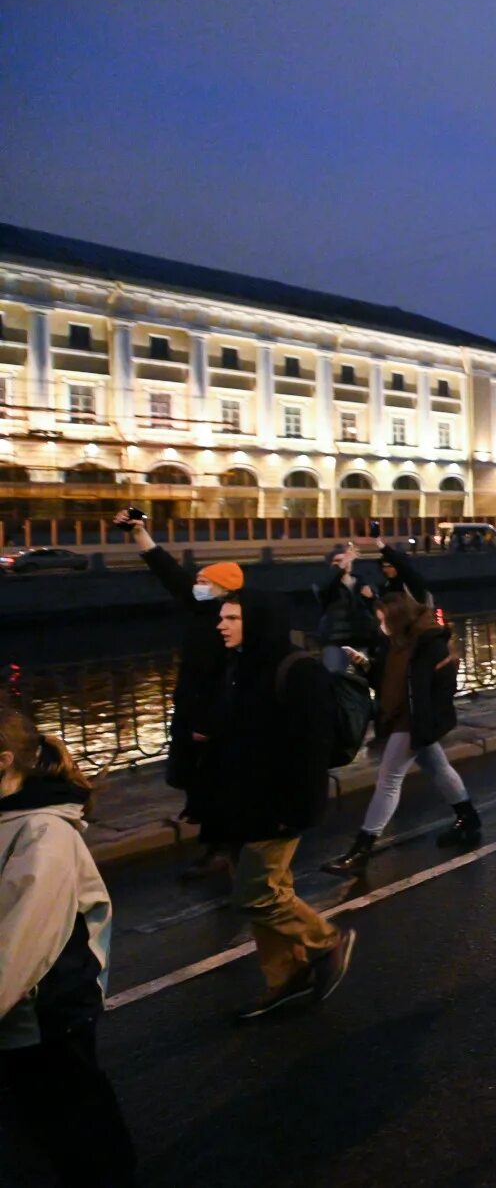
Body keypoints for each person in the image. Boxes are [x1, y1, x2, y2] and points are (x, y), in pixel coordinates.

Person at [201, 592, 358, 1020]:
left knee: (256, 894)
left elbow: (311, 749)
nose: (222, 624)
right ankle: (285, 976)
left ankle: (327, 941)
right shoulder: (245, 665)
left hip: (276, 808)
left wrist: (295, 810)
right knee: (269, 892)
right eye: (222, 617)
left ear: (257, 622)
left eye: (232, 617)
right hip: (243, 804)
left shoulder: (298, 670)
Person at [0, 709, 136, 1188]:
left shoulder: (42, 835)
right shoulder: (11, 822)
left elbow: (19, 945)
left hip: (46, 1015)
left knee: (79, 1134)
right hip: (25, 1018)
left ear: (3, 761)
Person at [117, 507, 245, 882]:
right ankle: (204, 817)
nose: (198, 585)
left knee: (215, 779)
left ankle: (220, 848)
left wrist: (213, 720)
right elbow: (164, 568)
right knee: (195, 773)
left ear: (225, 589)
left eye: (206, 582)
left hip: (213, 711)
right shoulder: (198, 605)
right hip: (191, 705)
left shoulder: (232, 620)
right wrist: (139, 532)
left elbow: (233, 676)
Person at [320, 594, 479, 877]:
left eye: (383, 619)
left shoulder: (428, 643)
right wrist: (364, 665)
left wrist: (429, 717)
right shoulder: (399, 642)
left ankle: (361, 850)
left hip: (413, 720)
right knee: (438, 767)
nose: (380, 625)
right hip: (404, 718)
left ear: (397, 617)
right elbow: (388, 681)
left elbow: (438, 685)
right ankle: (469, 820)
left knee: (388, 779)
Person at [317, 542, 380, 674]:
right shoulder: (327, 585)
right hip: (335, 642)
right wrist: (342, 564)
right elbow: (325, 591)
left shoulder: (362, 582)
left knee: (362, 679)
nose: (345, 562)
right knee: (336, 679)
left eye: (346, 559)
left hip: (361, 640)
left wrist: (371, 597)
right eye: (338, 561)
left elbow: (374, 608)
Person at [376, 541, 432, 605]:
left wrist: (384, 548)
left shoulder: (411, 581)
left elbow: (403, 566)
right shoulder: (388, 584)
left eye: (390, 566)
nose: (386, 570)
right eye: (384, 567)